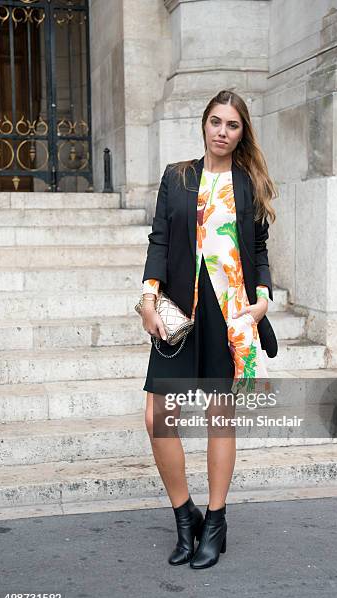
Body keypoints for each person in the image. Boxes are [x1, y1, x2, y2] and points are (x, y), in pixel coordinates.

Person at [139, 89, 278, 569]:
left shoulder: (249, 184)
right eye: (216, 122)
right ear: (204, 124)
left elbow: (258, 252)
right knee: (158, 418)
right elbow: (159, 237)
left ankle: (215, 521)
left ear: (242, 133)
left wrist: (261, 305)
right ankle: (185, 517)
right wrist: (147, 298)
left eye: (232, 125)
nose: (222, 131)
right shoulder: (176, 177)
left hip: (229, 314)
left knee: (221, 417)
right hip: (180, 311)